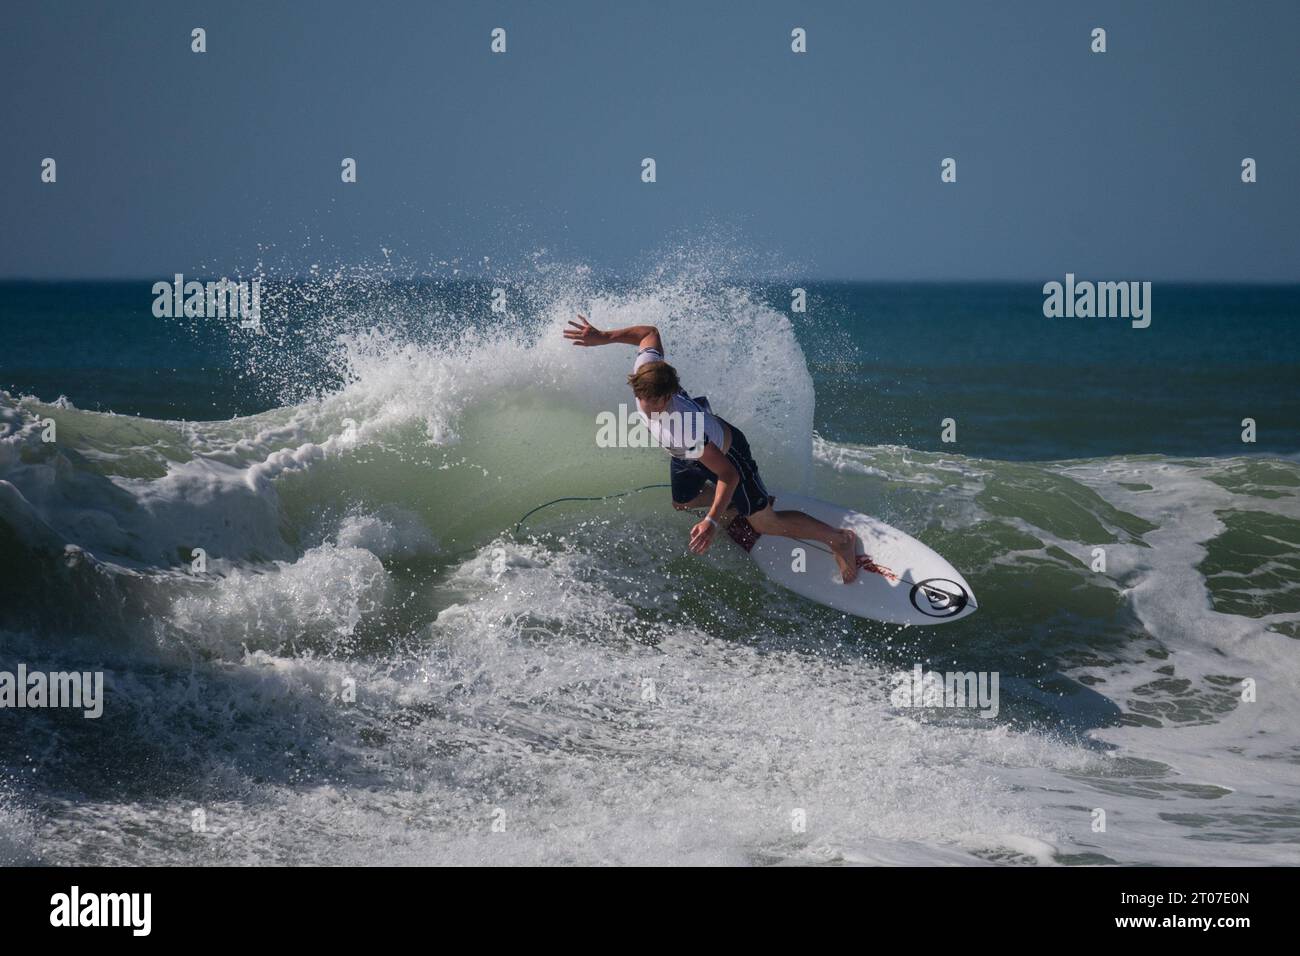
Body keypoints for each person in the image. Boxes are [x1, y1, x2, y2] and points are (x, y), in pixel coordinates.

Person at [564, 315, 860, 582]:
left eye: (655, 403)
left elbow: (728, 474)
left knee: (765, 523)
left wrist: (711, 521)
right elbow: (648, 332)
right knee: (683, 501)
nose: (647, 407)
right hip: (687, 454)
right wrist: (604, 337)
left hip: (727, 455)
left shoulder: (681, 427)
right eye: (642, 399)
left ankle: (839, 539)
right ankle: (734, 506)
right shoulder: (647, 373)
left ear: (668, 397)